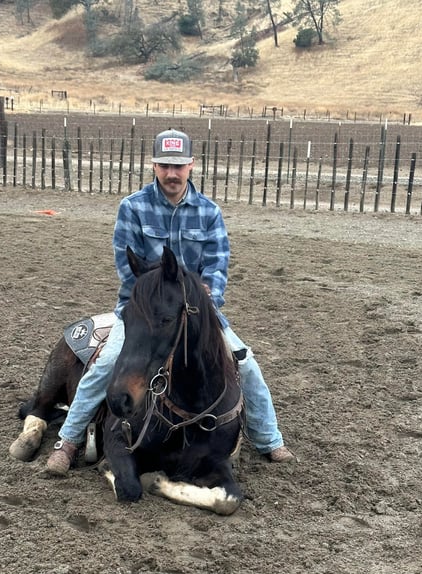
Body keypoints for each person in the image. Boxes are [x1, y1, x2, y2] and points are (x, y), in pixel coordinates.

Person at [46, 128, 295, 474]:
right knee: (106, 363)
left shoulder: (209, 213)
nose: (172, 174)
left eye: (178, 166)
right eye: (165, 165)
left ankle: (269, 439)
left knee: (247, 365)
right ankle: (68, 440)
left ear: (191, 165)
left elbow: (217, 267)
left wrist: (208, 297)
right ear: (154, 165)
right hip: (144, 312)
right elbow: (126, 265)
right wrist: (160, 299)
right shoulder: (132, 208)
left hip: (196, 314)